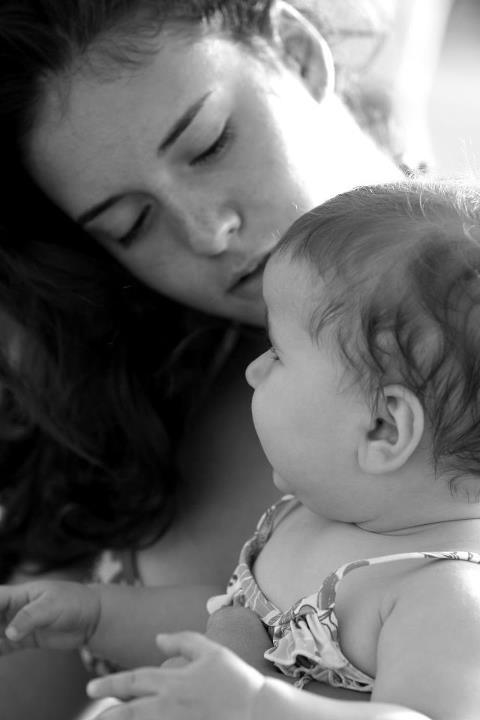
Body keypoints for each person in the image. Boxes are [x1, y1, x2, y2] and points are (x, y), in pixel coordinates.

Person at [0, 1, 453, 718]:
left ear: (297, 52)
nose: (208, 231)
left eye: (209, 145)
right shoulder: (127, 396)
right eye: (132, 224)